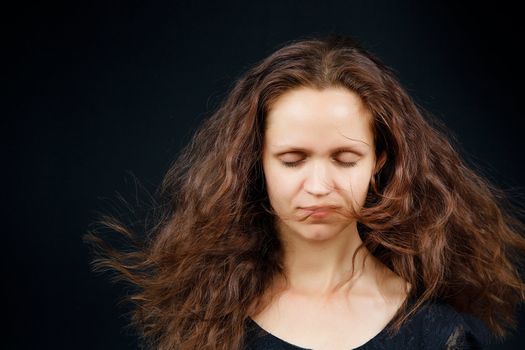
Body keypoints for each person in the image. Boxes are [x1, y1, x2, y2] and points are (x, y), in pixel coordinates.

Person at [86, 34, 525, 350]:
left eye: (344, 159)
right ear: (254, 164)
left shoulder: (440, 334)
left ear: (380, 162)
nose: (317, 187)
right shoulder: (204, 323)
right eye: (292, 160)